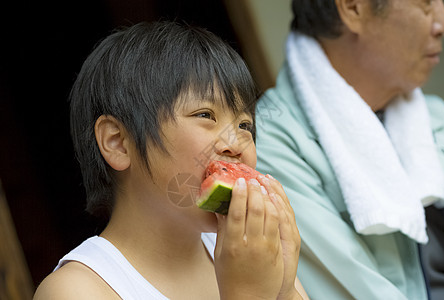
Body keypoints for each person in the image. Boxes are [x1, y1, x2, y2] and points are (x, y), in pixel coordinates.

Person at [33, 21, 308, 299]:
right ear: (118, 143)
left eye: (245, 126)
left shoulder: (252, 253)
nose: (236, 145)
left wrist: (284, 289)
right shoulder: (77, 290)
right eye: (205, 115)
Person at [255, 0, 444, 299]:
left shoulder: (434, 116)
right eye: (425, 4)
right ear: (353, 8)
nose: (443, 24)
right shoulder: (274, 144)